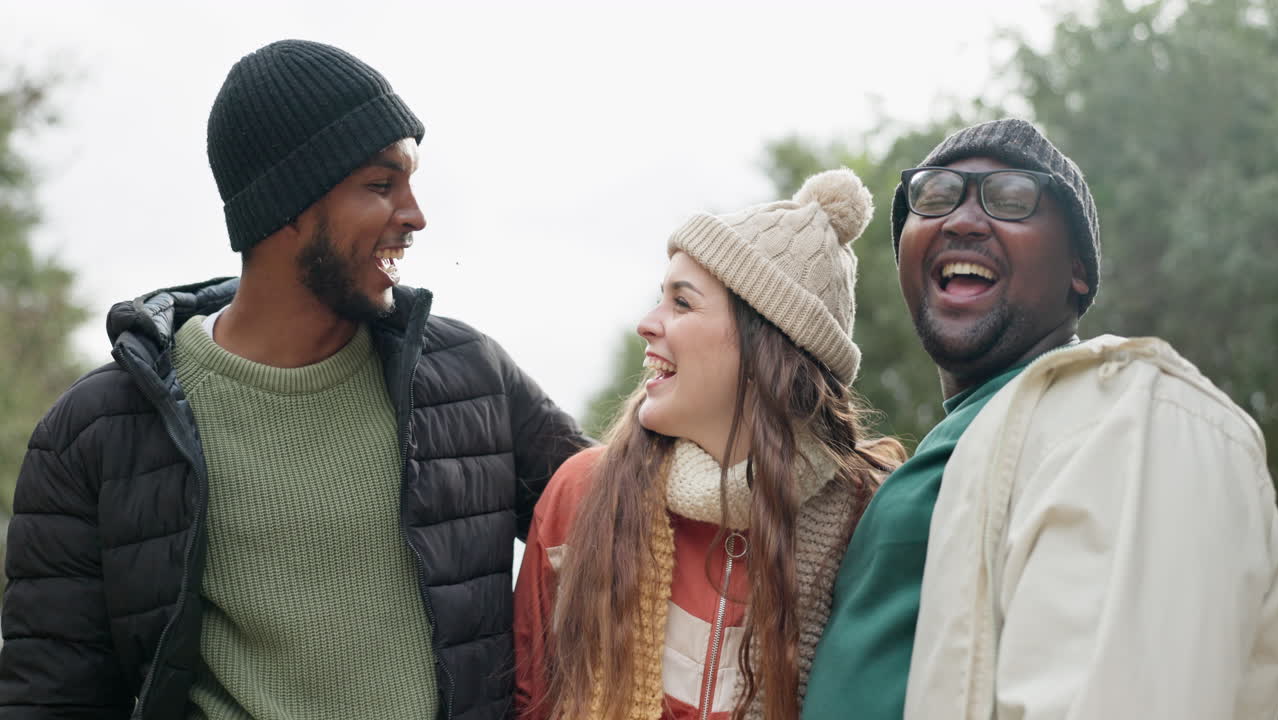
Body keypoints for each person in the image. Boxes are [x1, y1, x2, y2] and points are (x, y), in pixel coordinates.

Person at [0, 39, 586, 720]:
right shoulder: (97, 431)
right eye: (380, 184)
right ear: (286, 206)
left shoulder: (471, 377)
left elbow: (621, 516)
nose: (416, 214)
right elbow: (49, 698)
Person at [802, 118, 1278, 719]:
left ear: (1078, 271)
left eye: (1010, 198)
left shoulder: (1134, 416)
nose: (962, 219)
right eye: (934, 196)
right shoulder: (965, 442)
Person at [513, 168, 906, 720]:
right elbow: (531, 700)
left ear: (763, 346)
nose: (647, 324)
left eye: (682, 303)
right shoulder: (583, 493)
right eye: (660, 298)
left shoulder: (869, 521)